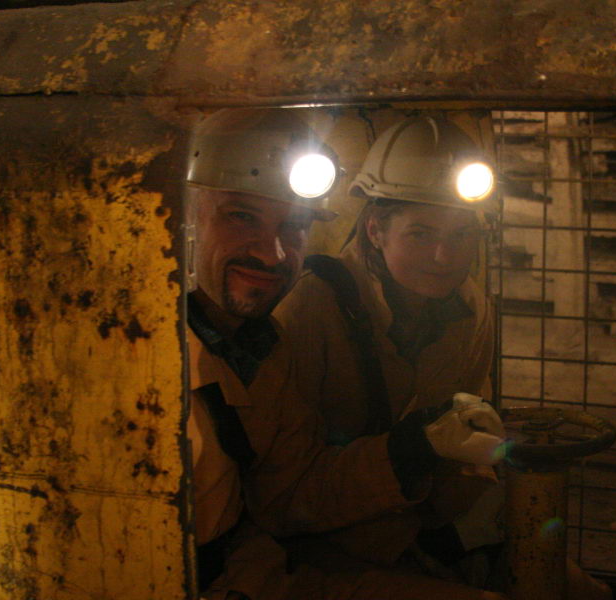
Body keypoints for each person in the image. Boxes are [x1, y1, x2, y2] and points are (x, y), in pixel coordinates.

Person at [273, 115, 613, 599]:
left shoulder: (471, 310)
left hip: (423, 529)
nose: (443, 256)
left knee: (585, 594)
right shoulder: (312, 308)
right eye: (420, 233)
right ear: (375, 230)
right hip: (321, 546)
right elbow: (282, 497)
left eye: (461, 235)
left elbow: (468, 449)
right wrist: (410, 452)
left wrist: (469, 522)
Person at [184, 107, 508, 600]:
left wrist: (454, 514)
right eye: (241, 216)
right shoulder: (152, 353)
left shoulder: (259, 346)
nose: (272, 252)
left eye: (294, 225)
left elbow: (289, 489)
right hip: (299, 555)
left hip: (283, 560)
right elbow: (285, 508)